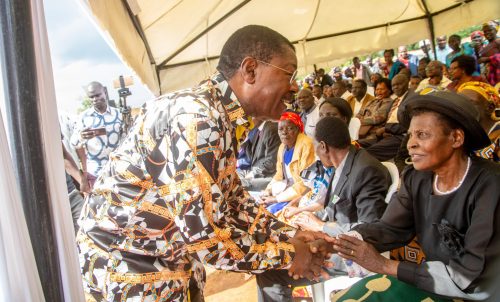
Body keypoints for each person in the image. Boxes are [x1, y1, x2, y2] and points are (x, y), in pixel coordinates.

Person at [77, 25, 333, 302]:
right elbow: (207, 241)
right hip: (133, 264)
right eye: (289, 73)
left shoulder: (218, 116)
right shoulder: (197, 120)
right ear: (250, 71)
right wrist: (291, 253)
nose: (295, 86)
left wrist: (292, 234)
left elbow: (235, 202)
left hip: (167, 256)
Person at [332, 91, 500, 301]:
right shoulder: (417, 178)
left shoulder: (491, 185)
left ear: (456, 138)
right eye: (410, 134)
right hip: (433, 282)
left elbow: (471, 274)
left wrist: (385, 265)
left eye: (422, 135)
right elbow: (391, 228)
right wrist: (339, 242)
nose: (410, 143)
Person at [256, 117, 390, 301]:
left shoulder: (367, 172)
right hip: (330, 239)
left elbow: (370, 228)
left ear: (324, 147)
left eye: (316, 147)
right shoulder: (343, 163)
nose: (316, 153)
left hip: (352, 252)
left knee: (269, 272)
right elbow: (332, 207)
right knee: (281, 246)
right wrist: (305, 221)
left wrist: (321, 227)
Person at [260, 111, 316, 214]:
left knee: (270, 213)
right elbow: (279, 175)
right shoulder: (282, 147)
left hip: (303, 193)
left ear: (298, 129)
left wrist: (276, 199)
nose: (284, 132)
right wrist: (268, 190)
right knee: (260, 206)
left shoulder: (306, 145)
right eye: (280, 129)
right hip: (288, 189)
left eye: (289, 128)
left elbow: (305, 183)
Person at [71, 81, 122, 185]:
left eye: (98, 95)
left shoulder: (119, 114)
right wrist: (80, 136)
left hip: (119, 170)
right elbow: (73, 143)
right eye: (91, 97)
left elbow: (128, 140)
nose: (95, 99)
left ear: (105, 93)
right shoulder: (83, 117)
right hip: (96, 173)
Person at [363, 74, 412, 161]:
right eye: (393, 85)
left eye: (399, 84)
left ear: (407, 83)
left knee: (366, 154)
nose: (396, 87)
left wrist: (386, 129)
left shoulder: (411, 98)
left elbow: (407, 123)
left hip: (400, 136)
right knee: (355, 145)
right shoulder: (395, 101)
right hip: (386, 134)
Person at [458, 81, 500, 161]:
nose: (462, 107)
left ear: (490, 108)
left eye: (470, 102)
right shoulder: (462, 133)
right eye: (460, 102)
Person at [237, 118, 281, 190]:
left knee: (239, 185)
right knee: (235, 176)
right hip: (255, 169)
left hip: (267, 176)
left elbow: (271, 163)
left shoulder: (271, 129)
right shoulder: (257, 130)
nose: (251, 119)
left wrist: (253, 173)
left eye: (253, 115)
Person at [478, 21, 500, 86]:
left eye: (490, 30)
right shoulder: (486, 45)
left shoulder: (498, 42)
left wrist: (488, 59)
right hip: (491, 76)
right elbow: (480, 60)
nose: (487, 33)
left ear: (496, 30)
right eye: (485, 31)